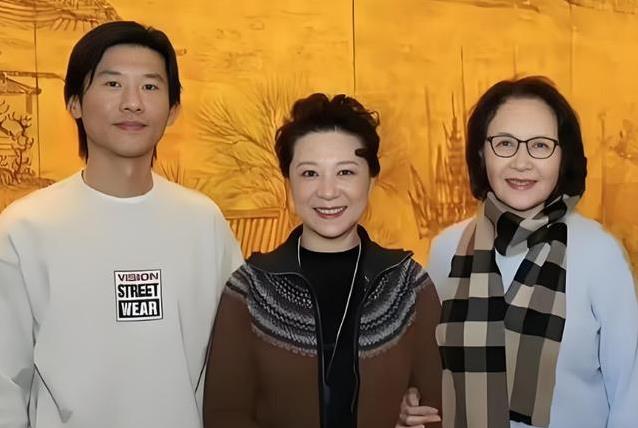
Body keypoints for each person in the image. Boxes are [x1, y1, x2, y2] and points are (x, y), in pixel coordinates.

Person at [0, 21, 243, 428]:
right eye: (112, 84)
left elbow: (239, 362)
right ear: (74, 102)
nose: (133, 103)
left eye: (150, 86)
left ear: (173, 109)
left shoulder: (204, 222)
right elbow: (5, 382)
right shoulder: (25, 229)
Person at [399, 76, 638, 428]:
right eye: (505, 144)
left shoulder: (600, 254)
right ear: (481, 153)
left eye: (540, 145)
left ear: (563, 157)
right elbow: (431, 367)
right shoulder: (447, 249)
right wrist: (410, 401)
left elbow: (629, 394)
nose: (521, 162)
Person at [203, 93, 442, 428]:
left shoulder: (408, 285)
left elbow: (436, 408)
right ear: (289, 183)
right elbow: (224, 415)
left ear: (371, 180)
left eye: (345, 172)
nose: (328, 192)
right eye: (310, 174)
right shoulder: (250, 289)